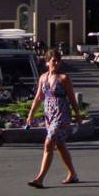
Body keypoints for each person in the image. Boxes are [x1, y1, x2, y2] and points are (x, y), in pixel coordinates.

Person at [26, 49, 83, 188]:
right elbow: (39, 97)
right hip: (49, 115)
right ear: (47, 62)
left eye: (58, 60)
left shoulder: (63, 78)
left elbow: (71, 97)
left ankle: (40, 178)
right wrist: (30, 115)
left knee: (49, 142)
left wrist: (77, 114)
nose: (56, 63)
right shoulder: (43, 78)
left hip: (61, 114)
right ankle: (73, 174)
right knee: (60, 145)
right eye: (53, 61)